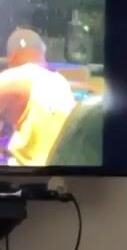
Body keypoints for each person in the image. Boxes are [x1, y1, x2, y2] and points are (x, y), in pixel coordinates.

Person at [0, 27, 75, 165]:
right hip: (63, 167)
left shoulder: (11, 79)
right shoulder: (62, 82)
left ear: (12, 56)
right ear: (42, 53)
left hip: (27, 170)